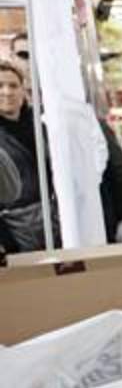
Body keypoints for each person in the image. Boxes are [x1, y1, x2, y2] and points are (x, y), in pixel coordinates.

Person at [0, 61, 56, 252]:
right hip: (15, 229)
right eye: (0, 86)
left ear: (23, 91)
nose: (7, 92)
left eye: (13, 85)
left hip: (54, 219)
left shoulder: (42, 124)